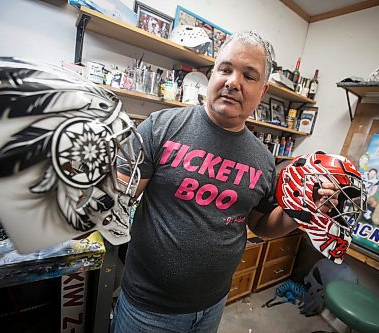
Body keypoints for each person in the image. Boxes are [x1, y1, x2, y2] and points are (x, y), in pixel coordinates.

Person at [111, 31, 341, 333]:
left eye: (249, 75)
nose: (234, 82)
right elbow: (116, 195)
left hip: (212, 305)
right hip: (147, 309)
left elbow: (261, 224)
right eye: (226, 69)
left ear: (262, 91)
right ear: (212, 74)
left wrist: (303, 211)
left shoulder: (262, 159)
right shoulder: (162, 127)